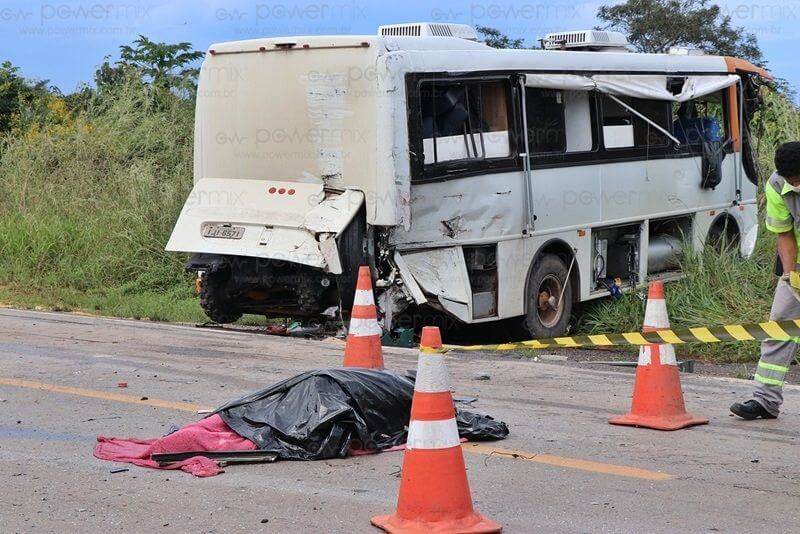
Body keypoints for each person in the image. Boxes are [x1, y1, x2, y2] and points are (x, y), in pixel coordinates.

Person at [731, 141, 800, 420]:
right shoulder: (776, 185)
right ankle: (765, 401)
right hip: (796, 263)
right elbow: (784, 235)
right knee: (779, 327)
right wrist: (789, 277)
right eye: (792, 182)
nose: (795, 187)